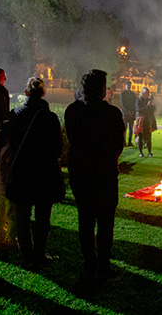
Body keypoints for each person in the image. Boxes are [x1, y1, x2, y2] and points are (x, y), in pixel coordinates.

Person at [65, 70, 125, 279]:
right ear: (102, 89)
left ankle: (89, 263)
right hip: (105, 174)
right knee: (106, 222)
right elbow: (119, 145)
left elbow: (71, 139)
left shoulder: (72, 110)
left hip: (81, 173)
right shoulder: (113, 114)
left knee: (86, 219)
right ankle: (103, 265)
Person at [7, 77, 64, 269]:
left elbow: (11, 143)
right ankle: (39, 254)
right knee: (42, 217)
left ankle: (27, 254)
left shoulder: (15, 114)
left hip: (22, 172)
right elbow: (58, 149)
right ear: (43, 93)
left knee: (22, 216)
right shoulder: (49, 117)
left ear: (25, 93)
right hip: (44, 172)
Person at [0, 121, 18, 252]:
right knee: (11, 214)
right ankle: (12, 240)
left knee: (0, 214)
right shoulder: (7, 149)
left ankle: (0, 240)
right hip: (6, 186)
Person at [135, 87, 156, 158]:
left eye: (148, 93)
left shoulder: (149, 100)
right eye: (145, 93)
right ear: (142, 93)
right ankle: (141, 152)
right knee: (141, 137)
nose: (147, 94)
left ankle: (149, 152)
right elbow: (139, 110)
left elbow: (152, 111)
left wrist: (153, 105)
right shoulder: (139, 100)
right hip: (141, 120)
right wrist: (147, 106)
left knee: (149, 137)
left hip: (148, 120)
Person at [119, 80, 137, 147]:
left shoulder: (133, 94)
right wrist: (126, 111)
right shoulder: (122, 94)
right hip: (125, 113)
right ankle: (124, 142)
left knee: (131, 129)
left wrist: (133, 111)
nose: (129, 86)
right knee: (125, 128)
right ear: (125, 85)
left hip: (131, 113)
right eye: (127, 85)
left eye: (130, 85)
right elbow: (122, 104)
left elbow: (135, 103)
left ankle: (129, 141)